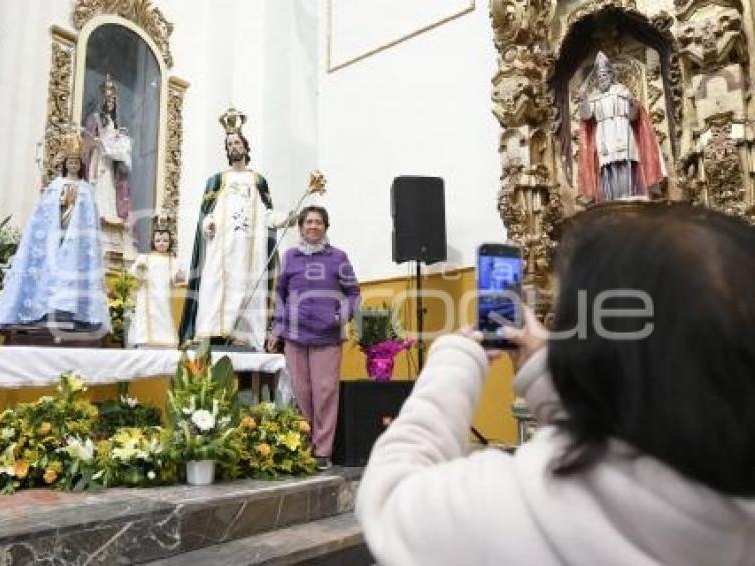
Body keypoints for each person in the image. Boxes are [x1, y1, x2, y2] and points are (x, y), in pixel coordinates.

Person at [356, 204, 755, 565]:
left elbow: (389, 497)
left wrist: (455, 358)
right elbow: (618, 434)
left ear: (591, 350)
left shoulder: (506, 509)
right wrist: (544, 371)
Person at [179, 108, 292, 350]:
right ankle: (210, 333)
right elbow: (207, 213)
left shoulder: (257, 180)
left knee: (247, 285)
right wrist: (207, 224)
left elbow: (267, 215)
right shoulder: (218, 180)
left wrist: (285, 218)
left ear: (245, 146)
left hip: (249, 250)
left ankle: (244, 334)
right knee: (215, 285)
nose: (233, 146)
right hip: (221, 246)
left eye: (237, 142)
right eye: (229, 143)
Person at [267, 206, 360, 470]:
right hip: (294, 337)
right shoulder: (290, 256)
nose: (313, 226)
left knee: (325, 393)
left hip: (327, 337)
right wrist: (276, 330)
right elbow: (280, 296)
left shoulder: (338, 257)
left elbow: (353, 293)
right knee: (301, 393)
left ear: (325, 227)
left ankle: (323, 451)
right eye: (308, 222)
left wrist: (341, 316)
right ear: (300, 227)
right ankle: (302, 446)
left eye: (318, 222)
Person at [0, 132, 110, 330]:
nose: (73, 166)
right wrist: (62, 203)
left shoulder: (86, 189)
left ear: (81, 166)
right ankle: (44, 309)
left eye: (76, 163)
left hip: (76, 238)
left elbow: (89, 219)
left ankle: (72, 312)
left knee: (72, 265)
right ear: (66, 164)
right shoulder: (55, 186)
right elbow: (45, 213)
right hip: (57, 231)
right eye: (70, 162)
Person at [578, 52, 665, 202]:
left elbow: (633, 117)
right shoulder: (594, 97)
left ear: (611, 76)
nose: (602, 79)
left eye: (604, 75)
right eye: (599, 76)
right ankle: (611, 198)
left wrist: (633, 104)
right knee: (606, 167)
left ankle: (630, 196)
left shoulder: (622, 91)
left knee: (627, 163)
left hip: (623, 131)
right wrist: (584, 99)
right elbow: (586, 116)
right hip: (603, 134)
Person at [127, 216, 185, 348]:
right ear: (153, 242)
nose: (162, 243)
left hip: (164, 295)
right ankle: (145, 340)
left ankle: (165, 341)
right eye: (158, 240)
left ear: (170, 242)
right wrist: (140, 268)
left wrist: (179, 275)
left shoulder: (173, 261)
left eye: (165, 240)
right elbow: (137, 274)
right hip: (147, 295)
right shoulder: (145, 258)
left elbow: (178, 279)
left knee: (164, 317)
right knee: (146, 317)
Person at [84, 74, 132, 223]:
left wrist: (121, 145)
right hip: (98, 160)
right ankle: (98, 214)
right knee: (100, 185)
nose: (111, 103)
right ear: (103, 100)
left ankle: (109, 215)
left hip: (110, 161)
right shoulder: (95, 118)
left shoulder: (114, 122)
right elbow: (88, 140)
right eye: (108, 100)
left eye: (113, 100)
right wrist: (98, 143)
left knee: (110, 187)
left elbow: (117, 141)